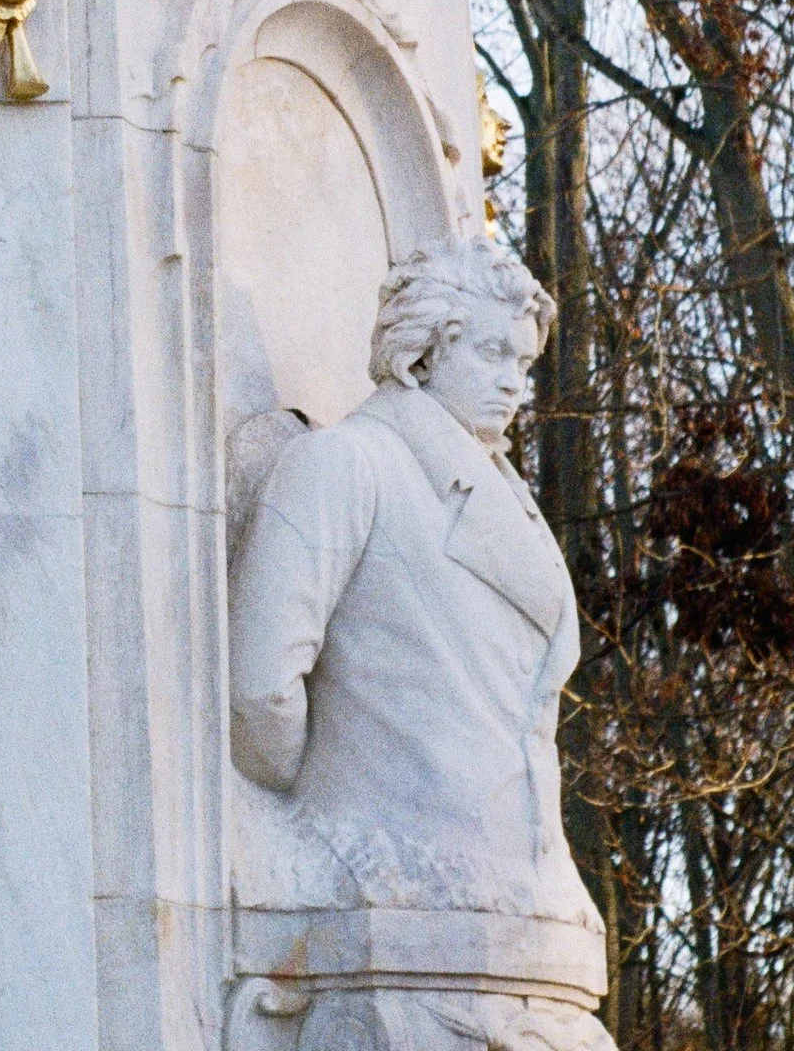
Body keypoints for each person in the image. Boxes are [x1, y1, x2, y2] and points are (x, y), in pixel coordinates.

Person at [229, 233, 597, 932]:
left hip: (527, 896)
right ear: (422, 351)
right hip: (388, 885)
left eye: (522, 360)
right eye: (491, 353)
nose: (514, 381)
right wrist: (348, 793)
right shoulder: (345, 464)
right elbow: (258, 689)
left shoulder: (511, 500)